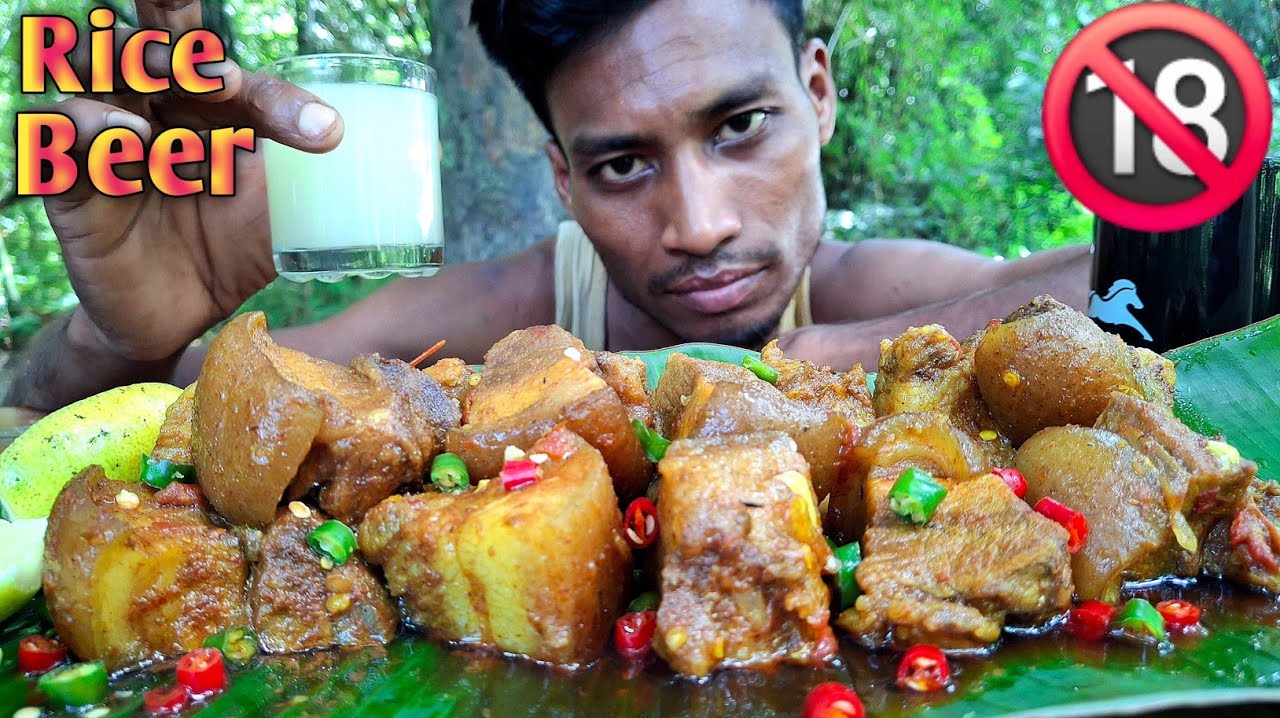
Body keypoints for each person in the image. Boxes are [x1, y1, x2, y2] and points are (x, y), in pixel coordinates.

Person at [7, 0, 1089, 412]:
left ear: (816, 94)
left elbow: (1110, 282)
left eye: (738, 127)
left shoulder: (867, 288)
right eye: (621, 166)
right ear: (562, 181)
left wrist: (807, 358)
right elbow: (180, 391)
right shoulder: (515, 308)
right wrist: (117, 333)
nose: (700, 222)